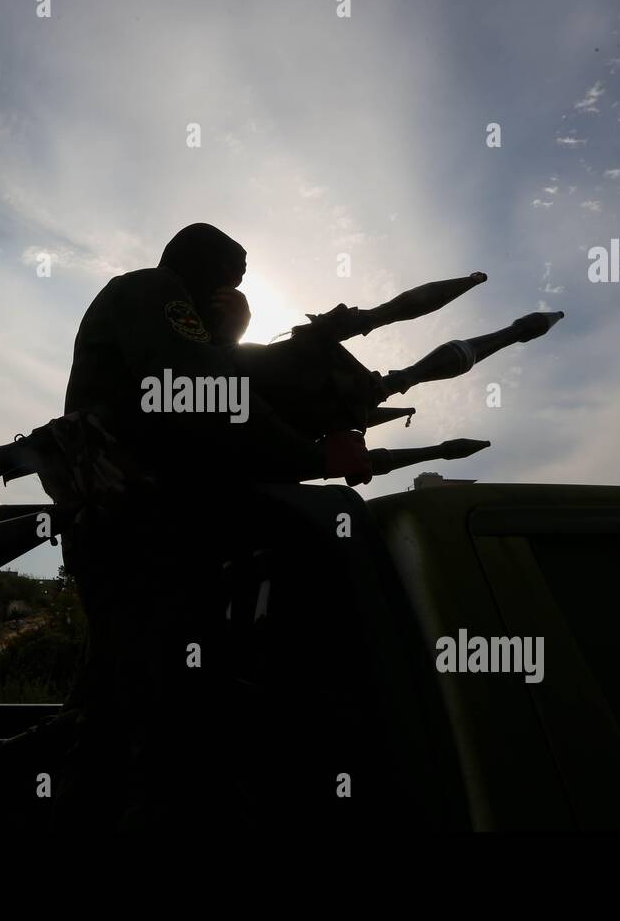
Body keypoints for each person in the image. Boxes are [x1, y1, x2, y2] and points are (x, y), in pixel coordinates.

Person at [46, 223, 374, 831]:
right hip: (140, 533)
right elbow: (203, 397)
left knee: (121, 707)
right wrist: (317, 457)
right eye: (228, 281)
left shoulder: (155, 309)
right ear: (205, 272)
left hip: (132, 529)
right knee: (165, 717)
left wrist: (225, 337)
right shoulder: (155, 290)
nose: (231, 293)